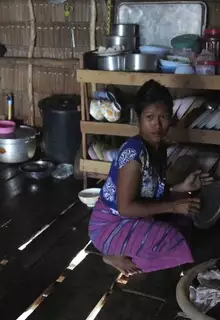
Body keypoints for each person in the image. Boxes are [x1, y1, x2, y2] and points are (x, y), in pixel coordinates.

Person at [88, 80, 212, 276]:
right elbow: (125, 208)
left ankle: (139, 246)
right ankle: (112, 254)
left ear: (170, 118)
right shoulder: (134, 154)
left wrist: (180, 187)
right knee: (174, 239)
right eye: (150, 117)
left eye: (163, 117)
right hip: (110, 225)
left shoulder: (158, 148)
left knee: (185, 218)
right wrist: (172, 207)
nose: (157, 125)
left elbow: (149, 189)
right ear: (138, 119)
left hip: (132, 217)